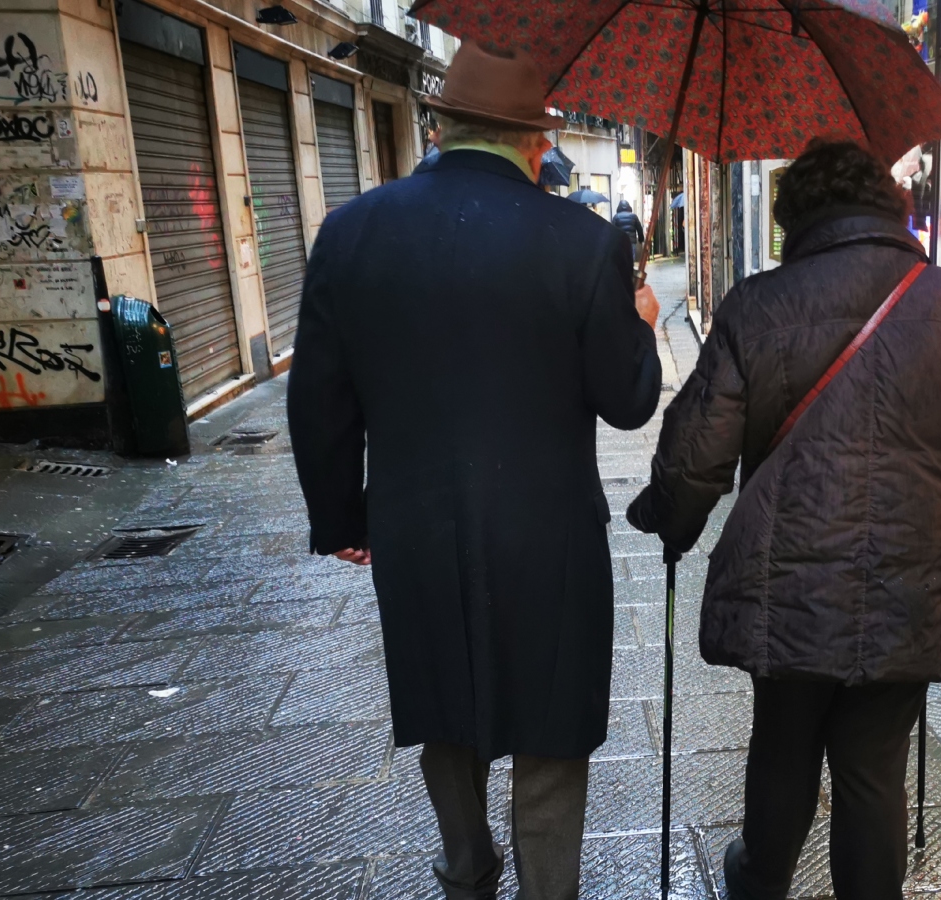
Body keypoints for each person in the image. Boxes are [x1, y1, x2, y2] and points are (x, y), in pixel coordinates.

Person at [288, 42, 662, 900]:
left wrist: (342, 516)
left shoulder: (351, 232)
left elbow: (319, 397)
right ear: (537, 142)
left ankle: (466, 866)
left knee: (441, 701)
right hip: (550, 531)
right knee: (552, 721)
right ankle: (547, 887)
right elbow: (628, 401)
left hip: (417, 526)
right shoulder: (582, 242)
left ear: (437, 126)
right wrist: (640, 325)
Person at [626, 139, 941, 900]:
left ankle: (759, 882)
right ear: (894, 210)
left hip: (791, 587)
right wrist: (931, 512)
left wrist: (668, 521)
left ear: (794, 219)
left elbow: (698, 457)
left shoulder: (758, 303)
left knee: (782, 747)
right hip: (911, 593)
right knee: (873, 767)